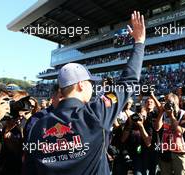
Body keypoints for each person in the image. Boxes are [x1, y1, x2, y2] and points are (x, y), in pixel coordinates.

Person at [23, 11, 146, 175]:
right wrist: (139, 42)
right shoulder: (96, 113)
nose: (92, 86)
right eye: (90, 82)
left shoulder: (38, 126)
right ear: (81, 85)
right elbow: (129, 82)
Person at [155, 93, 185, 175]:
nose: (167, 104)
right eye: (165, 102)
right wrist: (161, 112)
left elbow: (179, 131)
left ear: (176, 102)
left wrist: (171, 116)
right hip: (165, 151)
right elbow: (157, 128)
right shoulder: (164, 114)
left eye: (169, 102)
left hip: (180, 152)